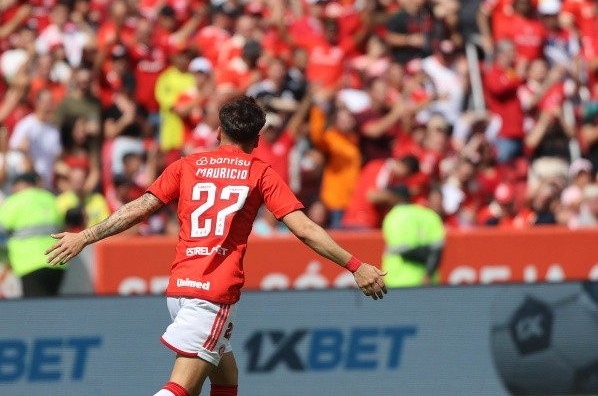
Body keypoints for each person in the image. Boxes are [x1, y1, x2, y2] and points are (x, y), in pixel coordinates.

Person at [45, 96, 387, 396]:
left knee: (226, 374)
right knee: (180, 387)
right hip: (213, 292)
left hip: (180, 289)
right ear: (256, 140)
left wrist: (85, 236)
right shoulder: (260, 172)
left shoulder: (187, 165)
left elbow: (138, 208)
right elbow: (306, 229)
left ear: (218, 132)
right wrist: (355, 266)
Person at [0, 172, 64, 297]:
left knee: (36, 311)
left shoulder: (15, 201)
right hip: (58, 264)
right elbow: (61, 225)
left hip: (29, 264)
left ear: (21, 185)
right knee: (51, 305)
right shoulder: (50, 198)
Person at [381, 185, 445, 287]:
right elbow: (437, 250)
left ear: (395, 197)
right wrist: (428, 273)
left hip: (399, 281)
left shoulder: (394, 217)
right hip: (428, 282)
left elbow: (403, 250)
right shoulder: (429, 215)